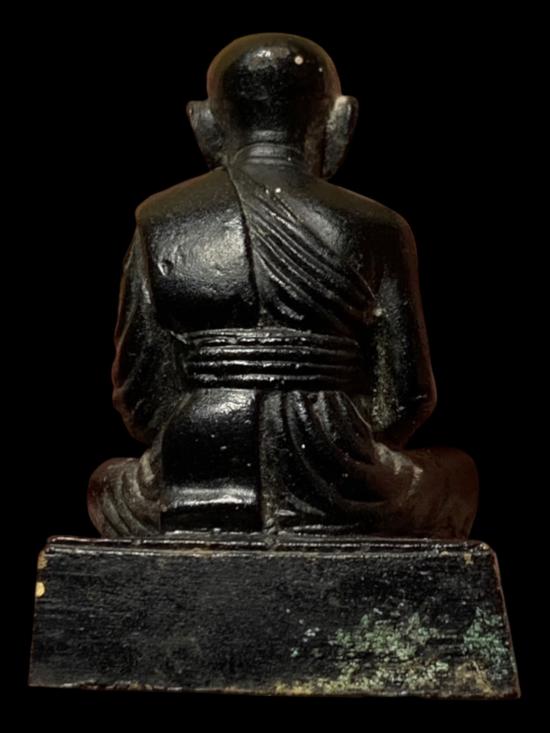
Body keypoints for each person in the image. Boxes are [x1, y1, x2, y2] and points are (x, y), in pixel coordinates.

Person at [88, 33, 478, 538]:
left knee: (106, 483)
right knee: (457, 473)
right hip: (339, 465)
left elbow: (138, 399)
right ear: (341, 122)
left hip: (194, 461)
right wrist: (340, 436)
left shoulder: (159, 218)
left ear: (204, 124)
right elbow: (409, 396)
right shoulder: (379, 226)